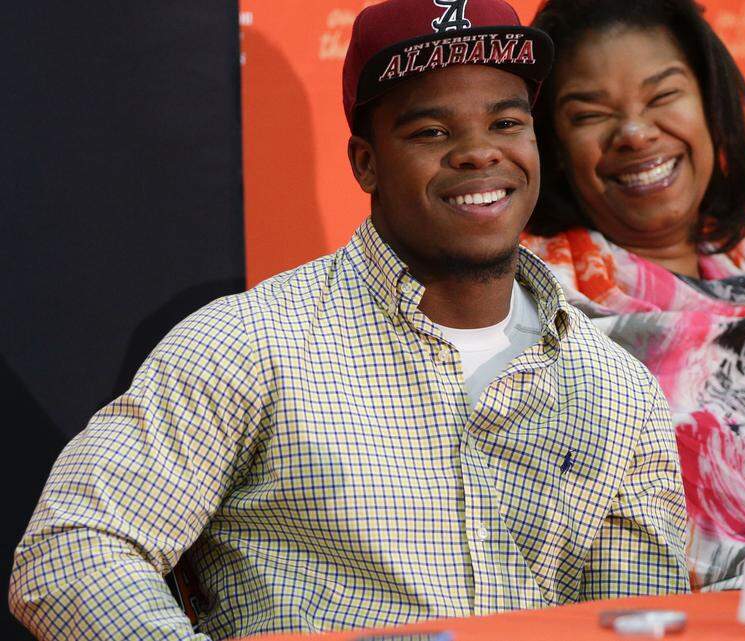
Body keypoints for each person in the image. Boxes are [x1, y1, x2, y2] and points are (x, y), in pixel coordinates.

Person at [9, 1, 690, 639]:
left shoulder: (619, 390)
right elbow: (70, 552)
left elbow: (629, 617)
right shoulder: (250, 342)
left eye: (507, 123)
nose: (480, 152)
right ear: (366, 162)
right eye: (432, 130)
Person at [521, 0, 745, 590]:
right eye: (590, 115)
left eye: (662, 97)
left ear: (711, 112)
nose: (636, 133)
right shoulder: (530, 311)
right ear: (555, 151)